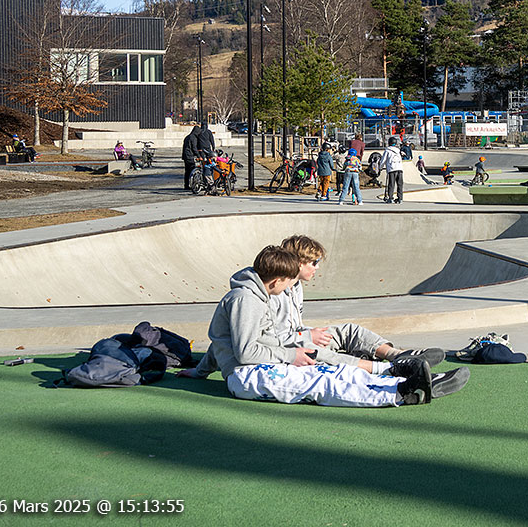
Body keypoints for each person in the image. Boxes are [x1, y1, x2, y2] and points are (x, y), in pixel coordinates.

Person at [178, 246, 463, 406]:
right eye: (289, 282)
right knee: (320, 384)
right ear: (276, 280)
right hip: (247, 377)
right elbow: (244, 352)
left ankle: (402, 377)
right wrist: (292, 355)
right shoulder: (247, 300)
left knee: (332, 371)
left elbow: (220, 343)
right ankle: (401, 393)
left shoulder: (252, 296)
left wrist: (200, 371)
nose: (291, 287)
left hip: (262, 367)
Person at [276, 235, 452, 373]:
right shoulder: (275, 291)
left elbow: (295, 327)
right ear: (299, 263)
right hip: (287, 348)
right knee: (316, 350)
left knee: (347, 331)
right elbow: (274, 339)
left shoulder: (296, 287)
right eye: (314, 262)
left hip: (299, 336)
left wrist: (311, 333)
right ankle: (386, 369)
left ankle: (397, 355)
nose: (317, 267)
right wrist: (307, 336)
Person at [380, 138, 404, 203]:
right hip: (400, 169)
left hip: (392, 169)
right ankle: (400, 198)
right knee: (400, 184)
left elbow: (383, 160)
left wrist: (380, 167)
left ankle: (390, 198)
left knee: (391, 184)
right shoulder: (398, 150)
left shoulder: (387, 151)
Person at [181, 124, 202, 190]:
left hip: (185, 156)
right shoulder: (193, 138)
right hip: (189, 156)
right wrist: (199, 156)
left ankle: (186, 185)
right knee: (192, 170)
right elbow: (194, 148)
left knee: (187, 171)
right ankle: (192, 185)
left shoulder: (187, 137)